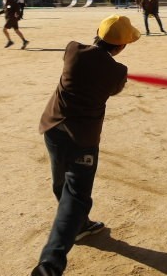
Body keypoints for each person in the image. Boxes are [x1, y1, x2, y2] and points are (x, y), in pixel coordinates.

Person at [31, 15, 141, 276]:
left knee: (61, 184)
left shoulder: (73, 50)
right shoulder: (118, 71)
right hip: (82, 139)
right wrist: (119, 75)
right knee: (75, 196)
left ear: (98, 34)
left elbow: (91, 63)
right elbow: (114, 87)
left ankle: (79, 226)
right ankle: (50, 263)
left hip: (53, 128)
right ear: (121, 46)